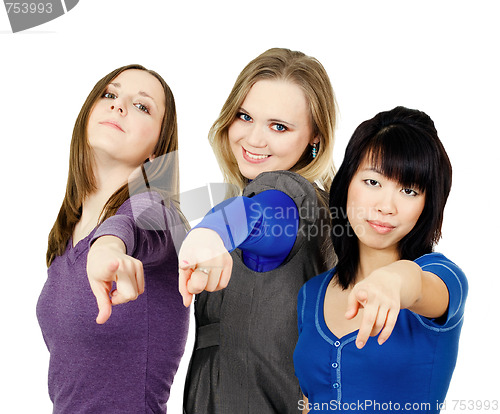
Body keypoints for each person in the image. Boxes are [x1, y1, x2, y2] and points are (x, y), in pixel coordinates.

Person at [178, 47, 338, 414]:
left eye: (279, 126)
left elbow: (264, 215)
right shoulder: (247, 200)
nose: (254, 139)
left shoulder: (293, 197)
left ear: (315, 139)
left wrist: (212, 233)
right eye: (245, 116)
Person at [293, 106, 468, 413]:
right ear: (347, 182)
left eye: (409, 190)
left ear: (427, 205)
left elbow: (415, 284)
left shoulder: (443, 276)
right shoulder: (311, 293)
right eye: (373, 182)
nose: (386, 206)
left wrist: (392, 281)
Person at [36, 64, 189, 413]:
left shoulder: (156, 211)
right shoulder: (65, 241)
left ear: (157, 149)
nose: (118, 105)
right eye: (110, 94)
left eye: (142, 106)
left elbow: (129, 225)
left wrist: (107, 246)